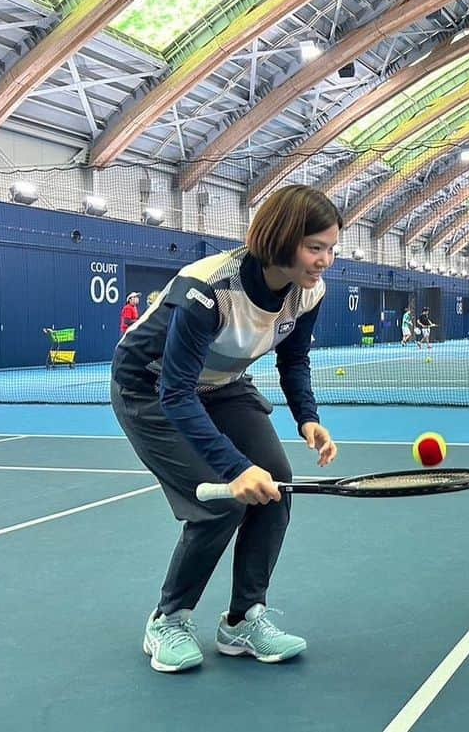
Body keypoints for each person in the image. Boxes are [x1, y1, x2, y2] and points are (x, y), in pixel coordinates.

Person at [110, 184, 341, 673]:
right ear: (281, 239)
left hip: (221, 383)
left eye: (331, 249)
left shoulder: (309, 292)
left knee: (276, 484)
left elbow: (294, 358)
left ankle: (242, 621)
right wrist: (234, 467)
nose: (325, 261)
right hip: (149, 388)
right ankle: (167, 620)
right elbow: (175, 393)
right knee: (222, 503)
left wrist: (308, 417)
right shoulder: (209, 289)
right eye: (315, 248)